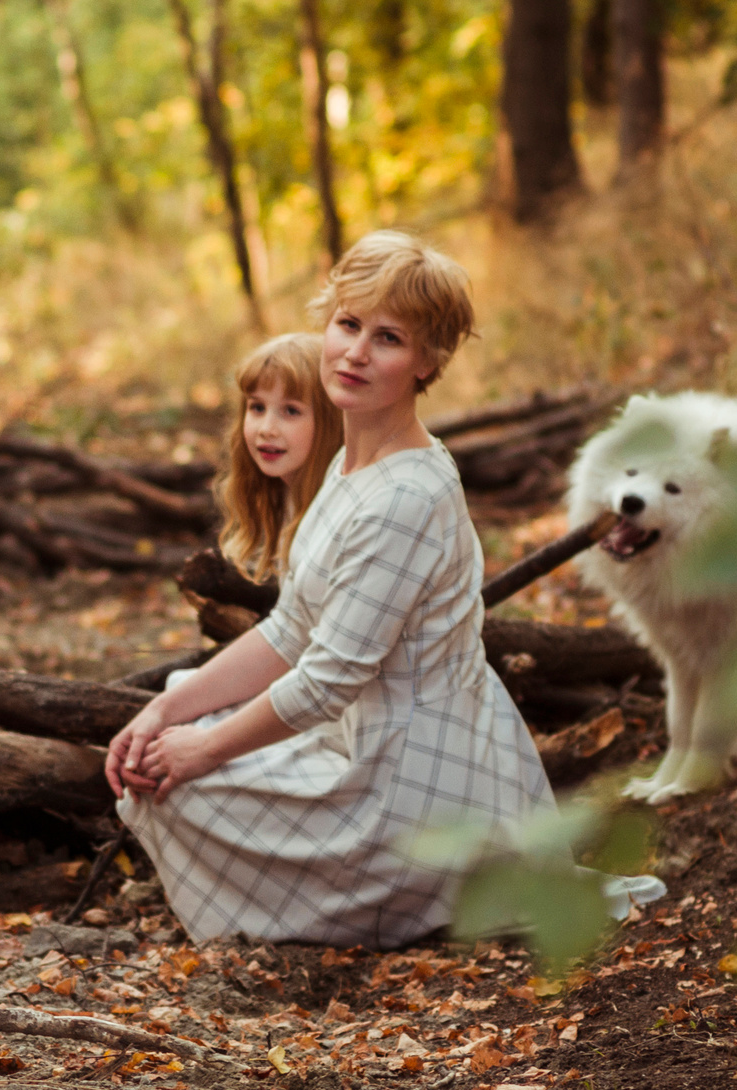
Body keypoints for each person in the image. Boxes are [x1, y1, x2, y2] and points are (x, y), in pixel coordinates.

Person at [105, 231, 554, 947]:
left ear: (428, 361)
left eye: (388, 339)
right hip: (358, 738)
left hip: (413, 785)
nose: (354, 353)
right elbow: (291, 631)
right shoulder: (352, 460)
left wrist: (202, 749)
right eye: (347, 325)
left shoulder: (408, 495)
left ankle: (375, 901)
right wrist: (169, 706)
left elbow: (326, 680)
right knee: (169, 743)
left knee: (180, 778)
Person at [214, 332, 345, 585]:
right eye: (257, 407)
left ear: (330, 422)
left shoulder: (338, 513)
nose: (266, 428)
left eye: (291, 411)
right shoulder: (286, 496)